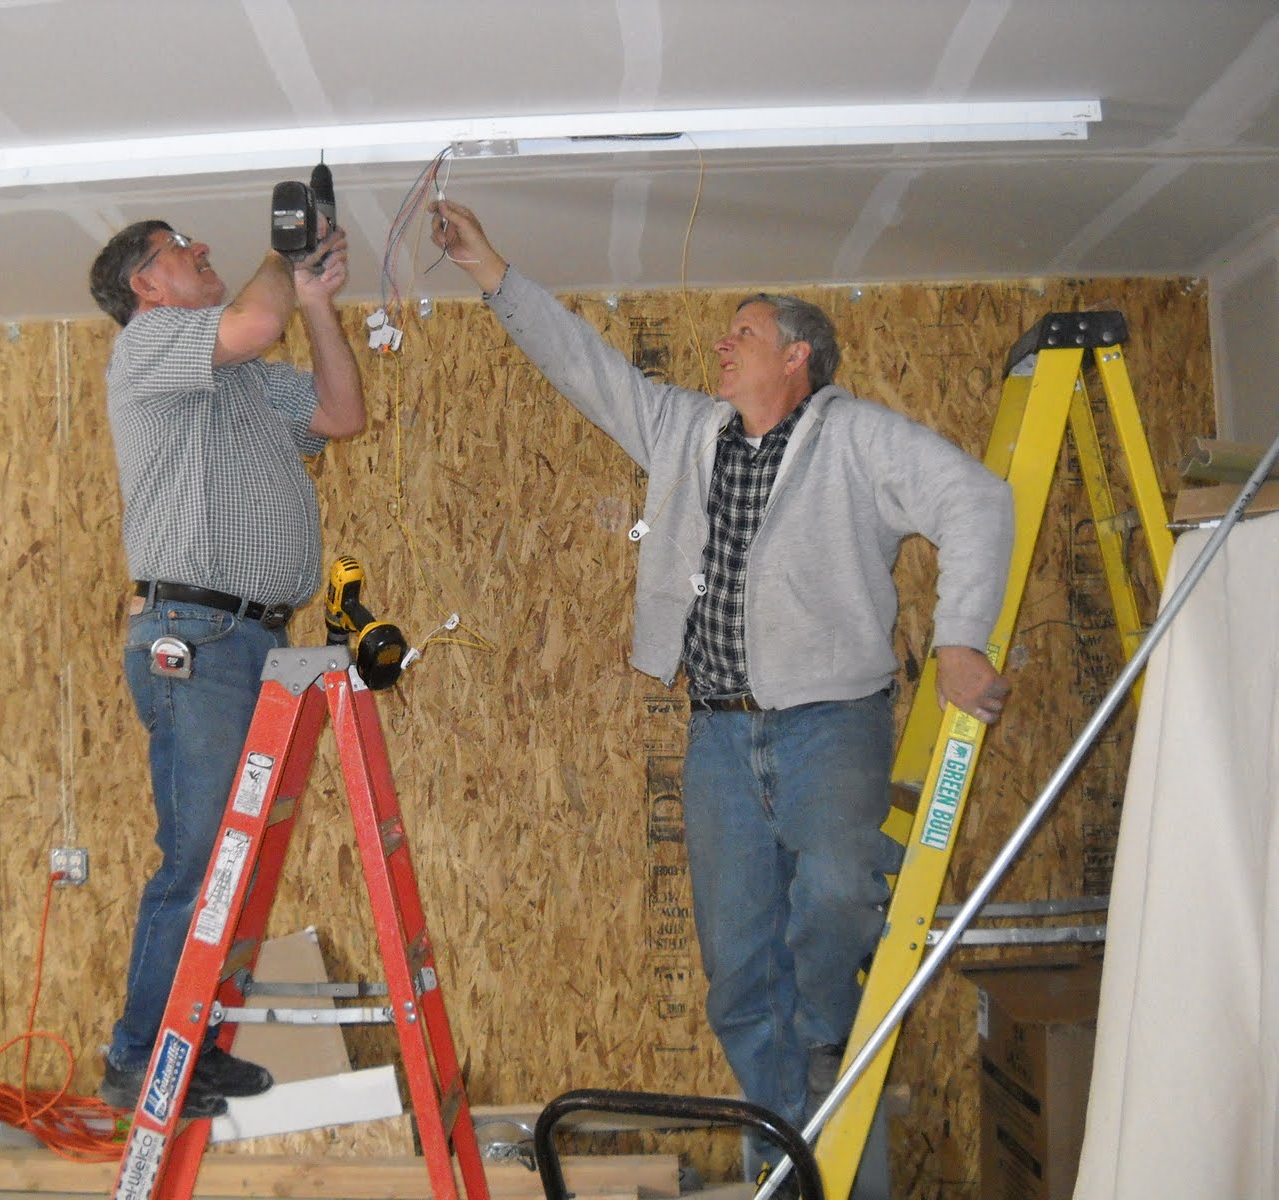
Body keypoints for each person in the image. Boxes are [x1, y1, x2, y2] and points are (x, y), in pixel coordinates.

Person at [429, 199, 1014, 1184]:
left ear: (797, 357)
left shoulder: (855, 437)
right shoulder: (685, 430)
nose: (720, 344)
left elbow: (975, 496)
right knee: (737, 960)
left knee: (835, 893)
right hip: (718, 737)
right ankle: (786, 1140)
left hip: (831, 724)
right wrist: (491, 269)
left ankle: (824, 1047)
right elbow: (586, 367)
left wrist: (958, 637)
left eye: (742, 332)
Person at [87, 217, 365, 1115]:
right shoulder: (148, 347)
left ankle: (189, 1046)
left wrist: (317, 301)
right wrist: (285, 258)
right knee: (201, 853)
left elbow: (340, 415)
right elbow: (252, 320)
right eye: (180, 251)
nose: (202, 252)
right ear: (147, 289)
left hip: (249, 641)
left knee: (228, 860)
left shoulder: (240, 381)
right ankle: (139, 1054)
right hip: (194, 638)